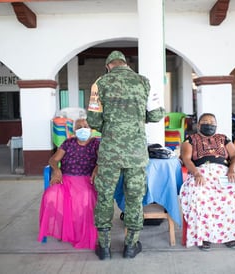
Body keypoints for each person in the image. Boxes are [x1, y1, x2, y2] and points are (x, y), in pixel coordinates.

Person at [87, 50, 165, 260]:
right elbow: (157, 114)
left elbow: (93, 121)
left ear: (108, 66)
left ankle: (104, 248)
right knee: (134, 198)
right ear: (126, 64)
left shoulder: (100, 84)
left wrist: (111, 126)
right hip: (136, 153)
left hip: (110, 153)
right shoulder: (143, 82)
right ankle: (131, 246)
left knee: (104, 198)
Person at [180, 113, 235, 250]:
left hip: (223, 172)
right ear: (198, 125)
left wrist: (232, 169)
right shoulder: (190, 140)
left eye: (212, 122)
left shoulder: (223, 138)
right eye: (205, 121)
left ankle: (230, 234)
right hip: (201, 172)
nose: (209, 124)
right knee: (199, 195)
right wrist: (196, 173)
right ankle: (204, 236)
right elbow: (186, 159)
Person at [37, 118, 100, 250]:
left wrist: (97, 167)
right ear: (74, 131)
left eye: (85, 126)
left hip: (86, 180)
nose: (83, 129)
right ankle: (64, 228)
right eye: (79, 127)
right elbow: (53, 159)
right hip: (66, 179)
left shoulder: (96, 143)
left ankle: (77, 231)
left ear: (91, 129)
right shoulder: (68, 143)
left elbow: (103, 160)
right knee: (50, 195)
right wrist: (57, 169)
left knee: (85, 197)